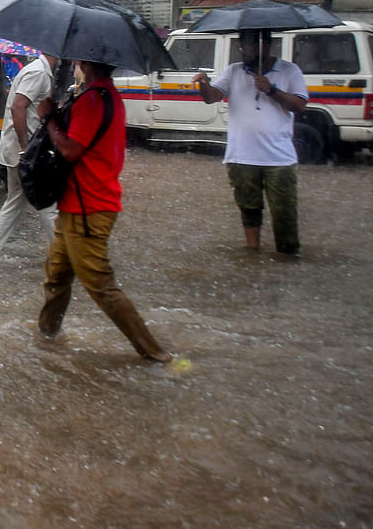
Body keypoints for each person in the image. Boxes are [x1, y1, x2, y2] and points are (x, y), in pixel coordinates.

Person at [35, 60, 172, 363]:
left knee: (100, 286)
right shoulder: (105, 95)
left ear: (85, 63)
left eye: (77, 62)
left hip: (88, 209)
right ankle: (46, 339)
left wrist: (48, 120)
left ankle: (156, 355)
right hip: (77, 206)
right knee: (56, 277)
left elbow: (70, 150)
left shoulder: (94, 100)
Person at [193, 29, 308, 255]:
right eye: (242, 46)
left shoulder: (289, 70)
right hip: (241, 155)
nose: (245, 51)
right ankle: (252, 254)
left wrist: (271, 90)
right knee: (249, 209)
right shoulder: (234, 71)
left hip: (279, 158)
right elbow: (212, 98)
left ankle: (287, 256)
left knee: (284, 211)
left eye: (250, 45)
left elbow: (299, 106)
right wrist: (203, 84)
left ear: (266, 45)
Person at [0, 52, 59, 253]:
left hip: (19, 151)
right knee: (47, 203)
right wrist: (26, 148)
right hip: (26, 152)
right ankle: (65, 257)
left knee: (15, 201)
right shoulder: (39, 73)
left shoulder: (39, 71)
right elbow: (18, 107)